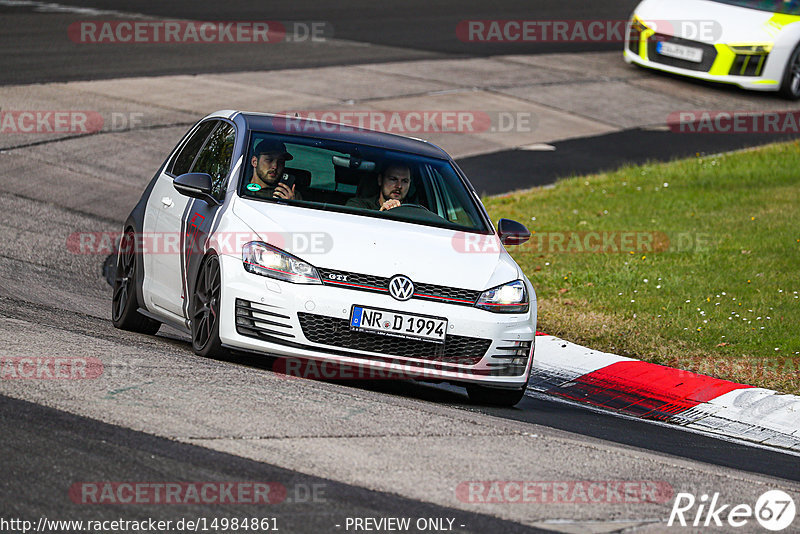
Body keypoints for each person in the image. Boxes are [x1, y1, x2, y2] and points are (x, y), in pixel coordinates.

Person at [346, 164, 411, 211]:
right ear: (380, 180)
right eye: (393, 179)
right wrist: (382, 213)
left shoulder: (415, 212)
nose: (399, 186)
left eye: (405, 181)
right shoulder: (358, 205)